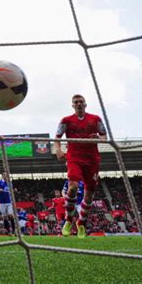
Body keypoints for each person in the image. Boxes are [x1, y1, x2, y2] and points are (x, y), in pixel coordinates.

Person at [55, 94, 107, 238]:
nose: (79, 104)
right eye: (76, 102)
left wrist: (99, 139)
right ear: (72, 105)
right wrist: (58, 150)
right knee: (72, 187)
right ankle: (69, 220)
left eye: (81, 102)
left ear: (85, 104)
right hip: (74, 158)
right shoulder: (66, 121)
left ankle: (81, 223)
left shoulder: (96, 119)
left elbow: (104, 137)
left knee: (89, 196)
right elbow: (57, 138)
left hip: (92, 160)